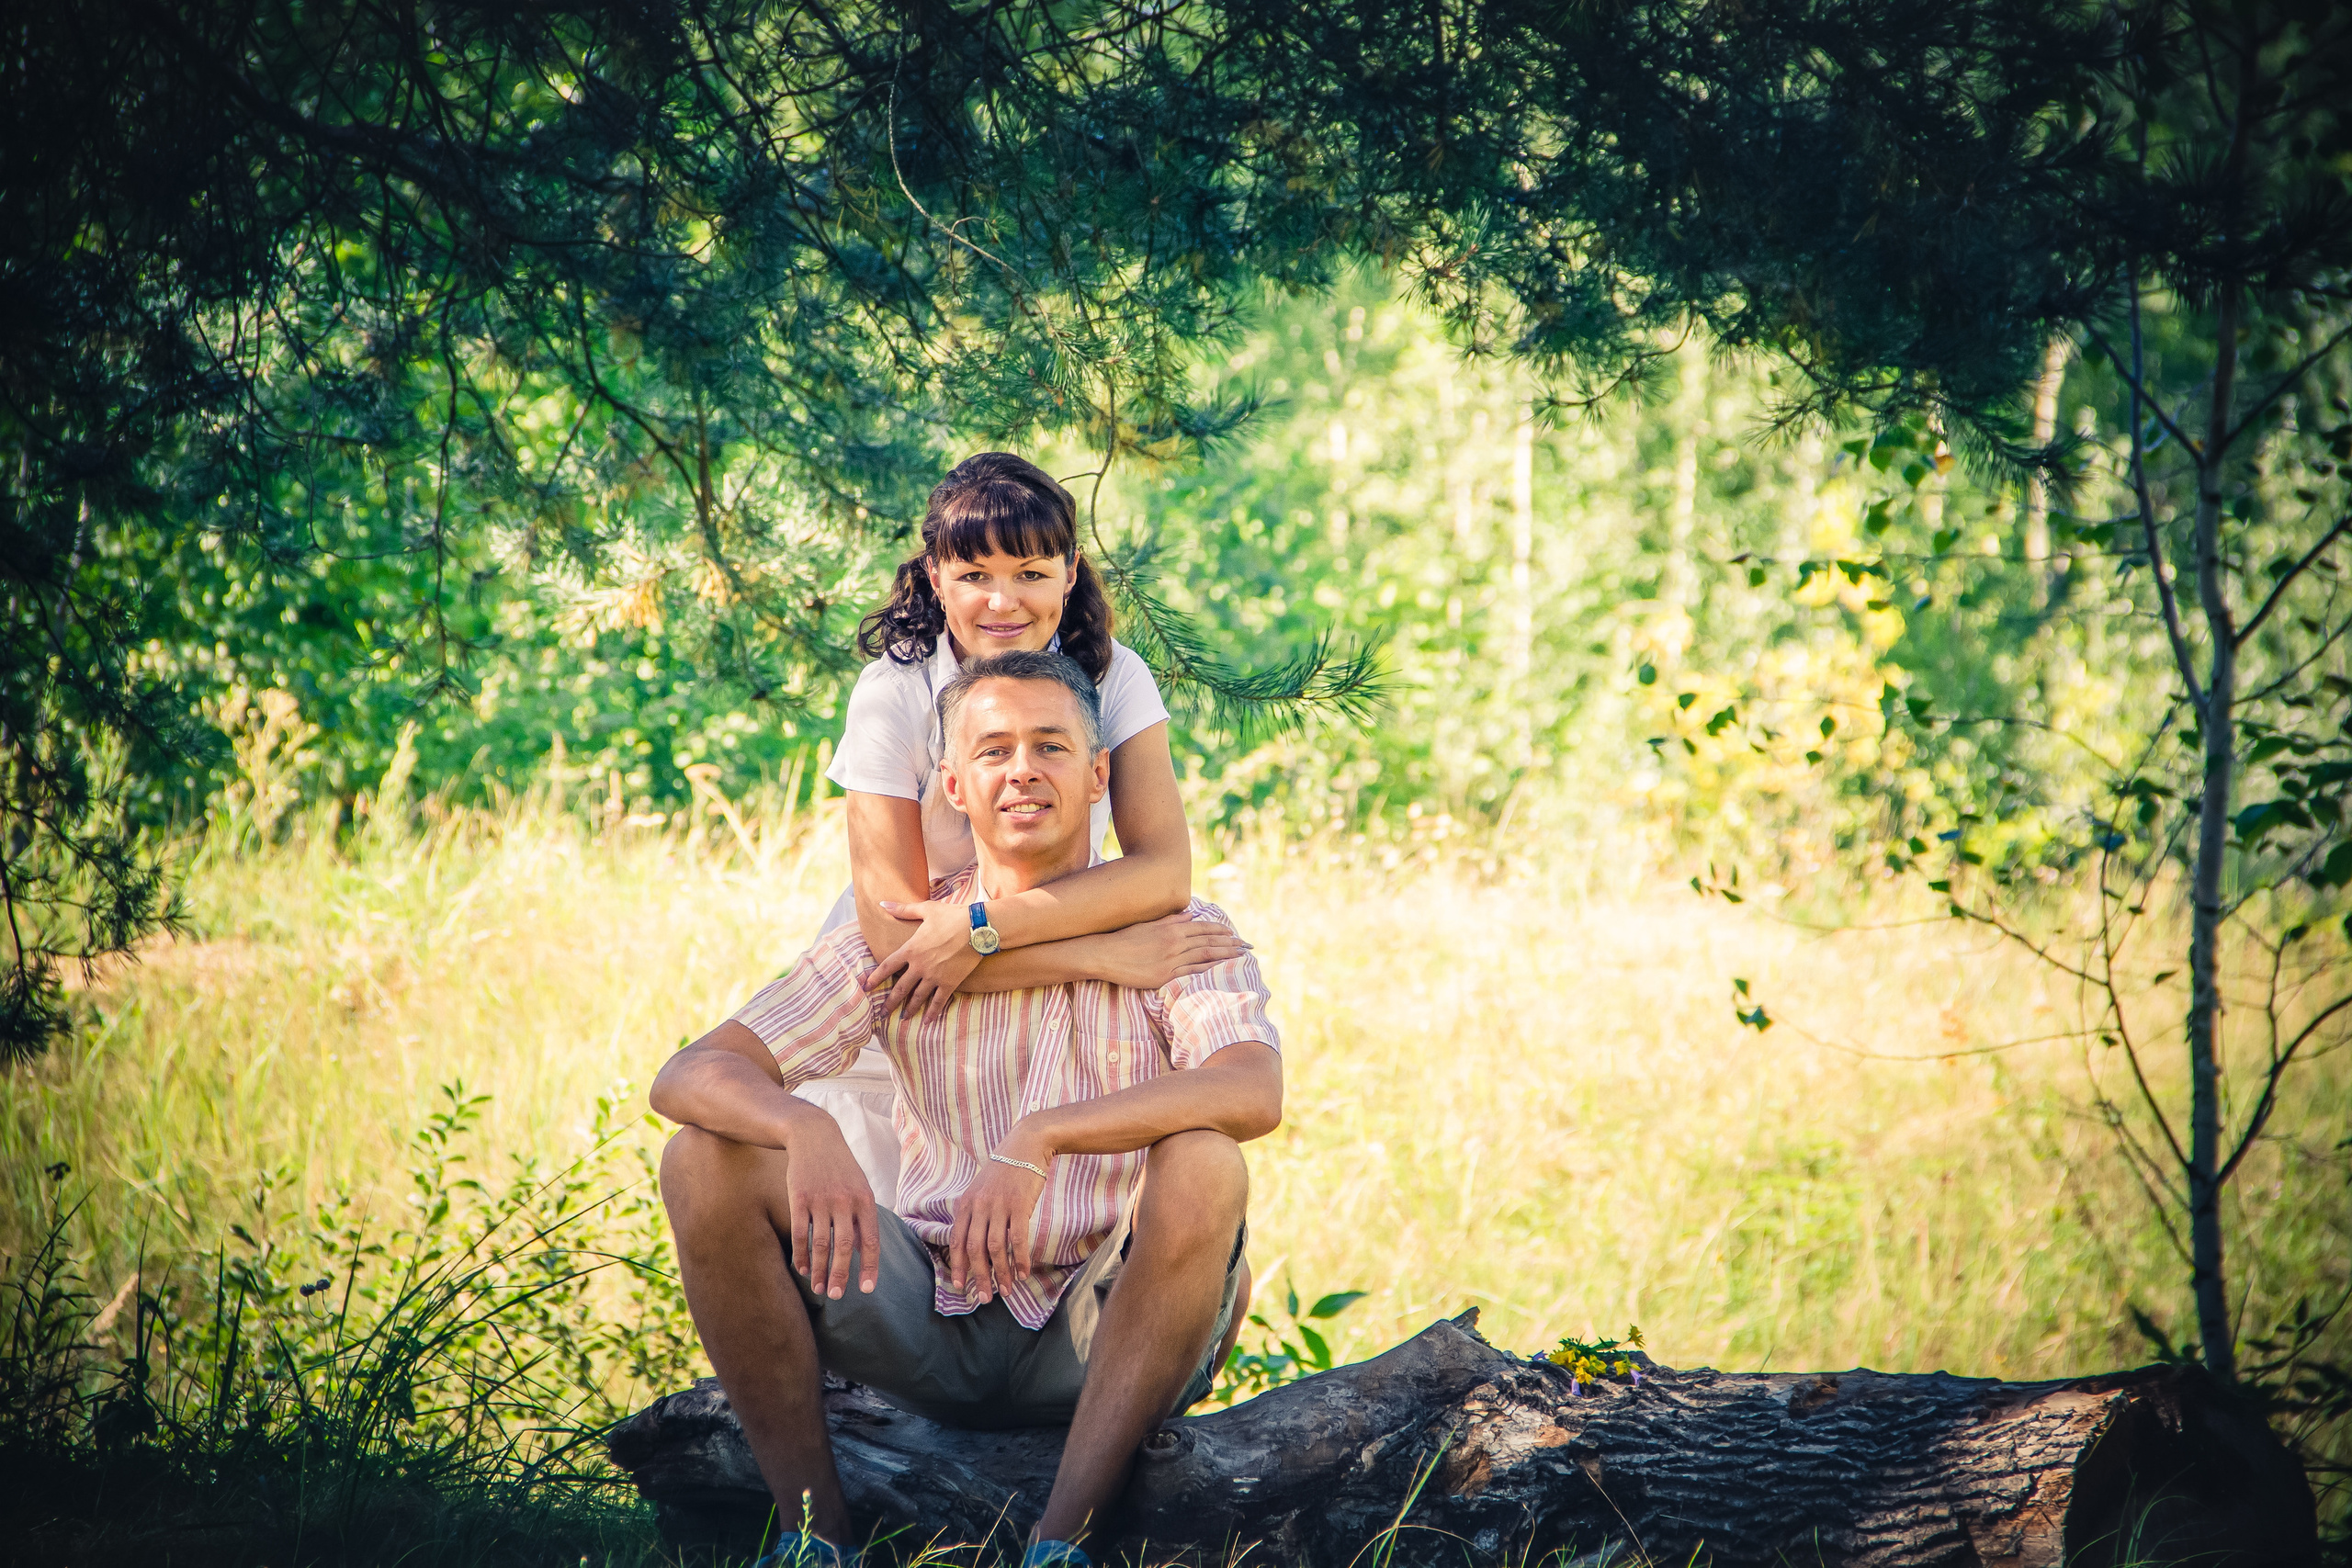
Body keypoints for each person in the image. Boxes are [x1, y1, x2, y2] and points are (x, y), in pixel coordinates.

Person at [653, 651, 1283, 1568]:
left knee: (1206, 1159)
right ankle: (811, 1540)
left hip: (1104, 1327)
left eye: (1050, 746)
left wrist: (1044, 1136)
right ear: (952, 782)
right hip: (932, 1317)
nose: (1021, 768)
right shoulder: (910, 945)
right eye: (993, 751)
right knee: (702, 1157)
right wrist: (803, 1126)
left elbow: (1250, 1090)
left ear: (1099, 773)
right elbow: (689, 1073)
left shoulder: (1177, 930)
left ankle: (1060, 1546)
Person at [796, 452, 1238, 1213]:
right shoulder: (894, 692)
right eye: (975, 576)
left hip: (1046, 1014)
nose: (1004, 601)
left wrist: (974, 929)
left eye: (1031, 572)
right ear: (937, 578)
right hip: (900, 1027)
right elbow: (900, 948)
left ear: (1070, 572)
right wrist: (1102, 956)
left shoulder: (1114, 676)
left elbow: (1163, 873)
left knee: (1052, 1238)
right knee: (883, 1283)